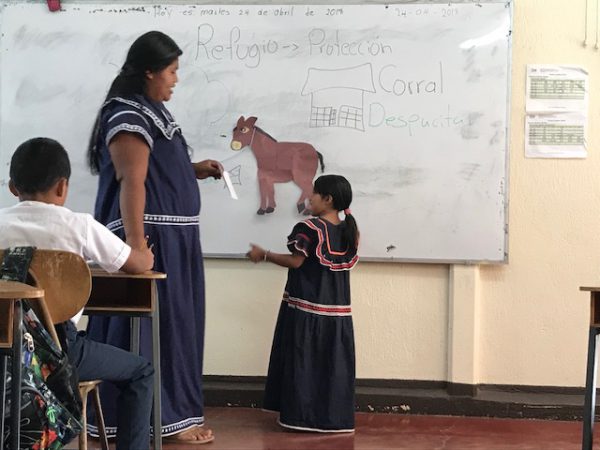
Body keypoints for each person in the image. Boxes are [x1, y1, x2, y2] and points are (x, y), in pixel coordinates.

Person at [85, 31, 222, 444]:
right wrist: (136, 245)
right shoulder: (127, 114)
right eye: (171, 70)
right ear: (148, 71)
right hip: (153, 239)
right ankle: (150, 422)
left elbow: (154, 169)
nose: (175, 79)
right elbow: (131, 181)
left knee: (178, 329)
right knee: (148, 332)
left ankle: (173, 416)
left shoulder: (150, 111)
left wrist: (192, 169)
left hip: (175, 240)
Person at [0, 137, 155, 450]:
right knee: (142, 371)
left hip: (3, 345)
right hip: (58, 351)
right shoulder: (79, 226)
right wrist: (145, 253)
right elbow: (136, 265)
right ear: (62, 187)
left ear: (13, 188)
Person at [247, 174, 360, 432]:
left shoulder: (309, 229)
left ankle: (301, 417)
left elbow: (296, 261)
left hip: (307, 308)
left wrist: (264, 254)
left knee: (304, 361)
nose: (310, 198)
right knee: (332, 366)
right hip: (338, 313)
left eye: (314, 194)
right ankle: (332, 419)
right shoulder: (350, 229)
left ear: (328, 199)